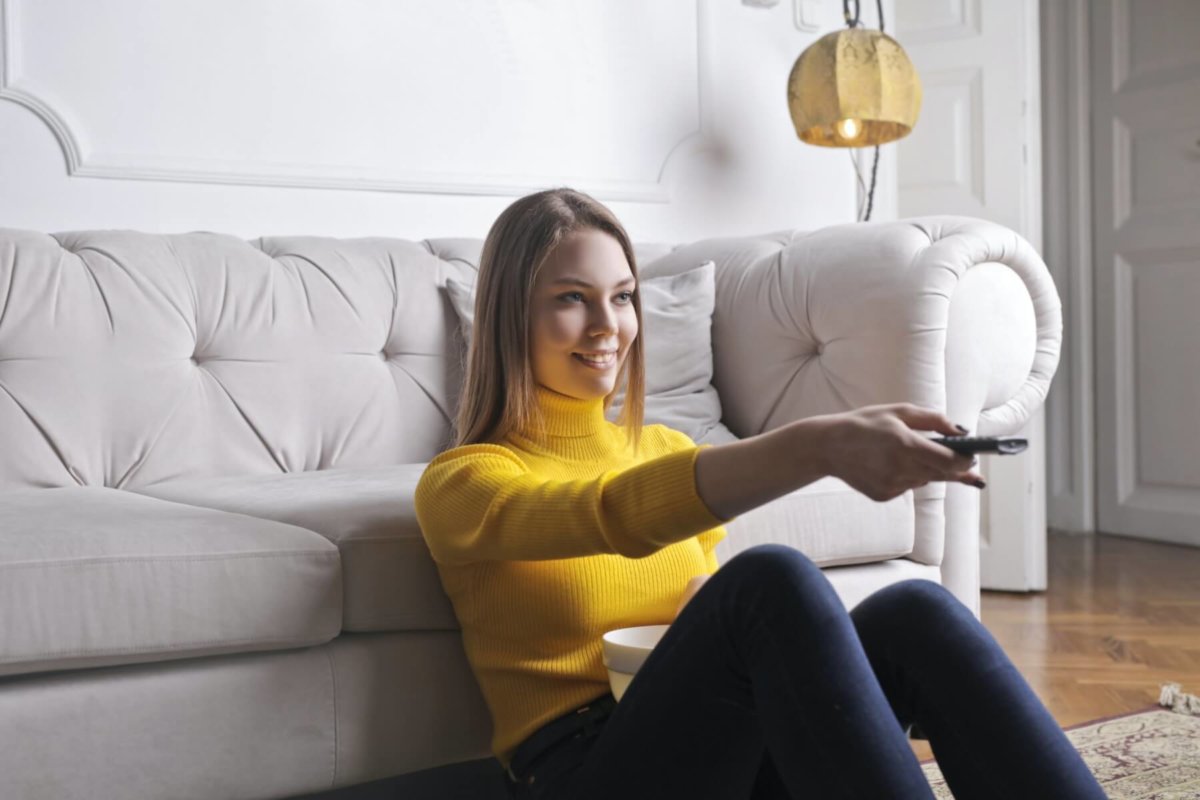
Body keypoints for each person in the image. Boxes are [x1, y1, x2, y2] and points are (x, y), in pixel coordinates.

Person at [413, 187, 1107, 799]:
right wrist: (821, 445)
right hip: (585, 770)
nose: (608, 326)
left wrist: (700, 617)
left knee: (915, 613)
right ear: (511, 314)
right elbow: (613, 514)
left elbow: (696, 623)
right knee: (767, 580)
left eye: (622, 296)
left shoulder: (666, 451)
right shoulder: (465, 484)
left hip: (724, 759)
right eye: (572, 298)